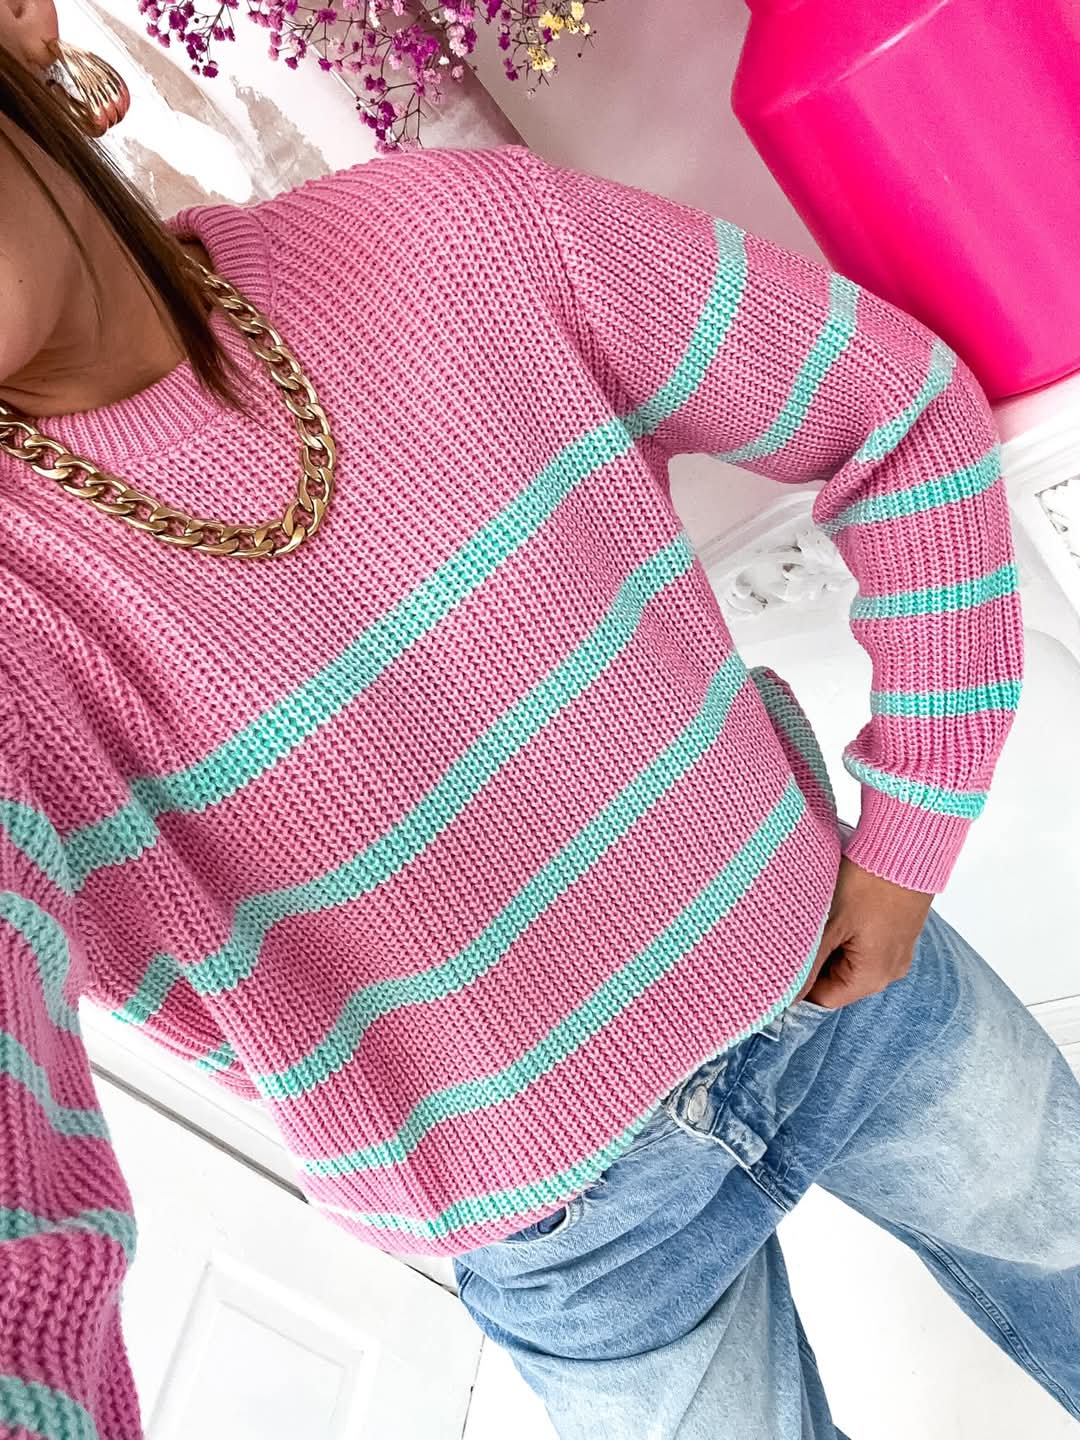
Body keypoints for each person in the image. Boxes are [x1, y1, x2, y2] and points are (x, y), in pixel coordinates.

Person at [0, 5, 1077, 1437]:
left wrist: (911, 833)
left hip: (842, 975)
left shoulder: (457, 238)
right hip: (566, 1242)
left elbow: (898, 416)